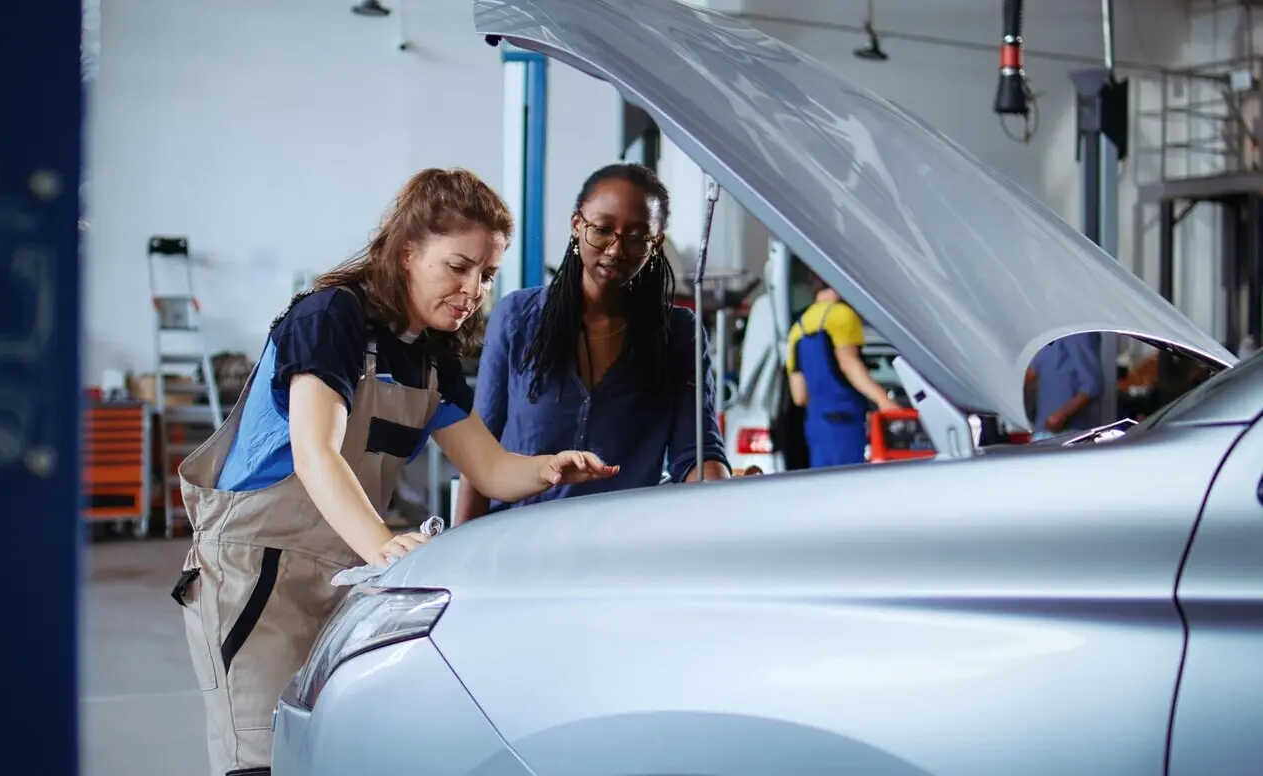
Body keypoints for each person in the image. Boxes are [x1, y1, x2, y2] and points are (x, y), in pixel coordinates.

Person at [171, 168, 618, 776]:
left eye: (486, 274)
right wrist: (384, 544)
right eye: (458, 267)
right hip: (256, 574)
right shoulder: (331, 318)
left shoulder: (431, 356)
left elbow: (488, 468)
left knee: (331, 755)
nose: (473, 289)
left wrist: (548, 469)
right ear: (407, 252)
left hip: (344, 576)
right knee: (262, 758)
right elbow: (315, 452)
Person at [454, 163, 731, 524]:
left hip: (620, 550)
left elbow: (695, 452)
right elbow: (481, 449)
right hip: (516, 547)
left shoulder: (678, 333)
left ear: (656, 243)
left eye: (636, 237)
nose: (616, 250)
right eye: (602, 230)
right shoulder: (518, 318)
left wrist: (724, 504)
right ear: (577, 226)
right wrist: (459, 557)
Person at [785, 276, 898, 468]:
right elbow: (849, 365)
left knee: (825, 488)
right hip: (845, 421)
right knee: (850, 486)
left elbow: (799, 396)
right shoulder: (842, 315)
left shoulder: (797, 328)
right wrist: (883, 400)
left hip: (816, 426)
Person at [1026, 332, 1105, 440]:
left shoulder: (1078, 333)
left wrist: (1061, 416)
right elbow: (1032, 372)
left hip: (1070, 435)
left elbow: (1092, 385)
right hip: (1042, 432)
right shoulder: (1048, 334)